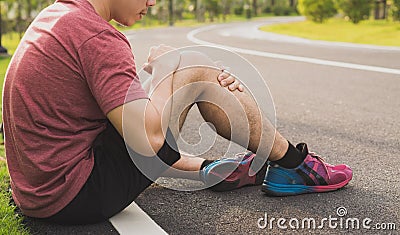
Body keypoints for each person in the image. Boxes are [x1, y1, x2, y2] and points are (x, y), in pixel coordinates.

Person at [2, 0, 353, 225]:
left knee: (174, 77)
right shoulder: (97, 37)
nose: (153, 2)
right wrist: (176, 69)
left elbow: (113, 119)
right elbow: (149, 138)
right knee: (191, 63)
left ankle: (212, 169)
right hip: (74, 197)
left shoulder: (59, 15)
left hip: (41, 191)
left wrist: (168, 76)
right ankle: (294, 165)